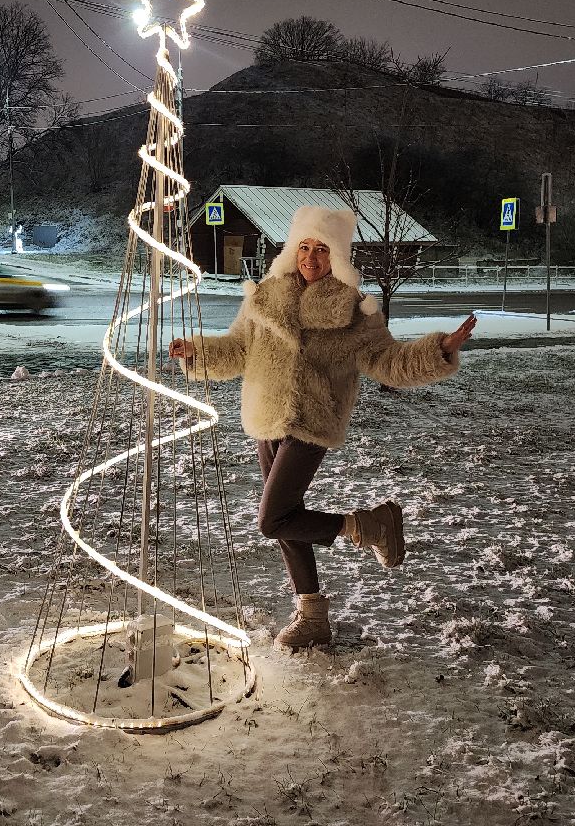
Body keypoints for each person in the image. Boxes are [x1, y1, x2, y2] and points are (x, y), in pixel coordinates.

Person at [169, 205, 477, 650]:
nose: (311, 258)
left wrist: (440, 350)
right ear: (293, 250)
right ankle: (312, 615)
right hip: (265, 416)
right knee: (290, 521)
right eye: (305, 247)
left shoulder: (354, 310)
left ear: (338, 257)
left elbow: (388, 362)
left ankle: (368, 526)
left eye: (323, 250)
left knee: (273, 519)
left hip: (313, 419)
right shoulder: (263, 296)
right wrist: (195, 352)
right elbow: (238, 349)